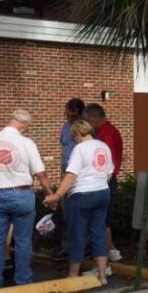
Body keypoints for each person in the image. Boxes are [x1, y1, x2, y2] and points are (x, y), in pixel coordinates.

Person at [0, 109, 53, 289]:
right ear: (24, 125)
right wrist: (50, 194)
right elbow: (40, 173)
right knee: (22, 240)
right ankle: (23, 282)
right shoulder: (27, 142)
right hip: (21, 194)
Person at [44, 120, 113, 285]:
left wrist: (57, 195)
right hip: (102, 192)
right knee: (98, 233)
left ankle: (73, 275)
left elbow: (71, 175)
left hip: (82, 195)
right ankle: (102, 275)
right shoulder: (103, 146)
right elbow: (109, 172)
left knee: (77, 234)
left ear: (77, 134)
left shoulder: (79, 149)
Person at [82, 103, 123, 274]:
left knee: (99, 223)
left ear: (94, 118)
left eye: (86, 120)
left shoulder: (106, 135)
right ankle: (109, 254)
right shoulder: (107, 131)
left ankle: (103, 264)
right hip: (105, 182)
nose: (86, 124)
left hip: (103, 183)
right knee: (103, 222)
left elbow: (108, 163)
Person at [53, 98, 85, 257]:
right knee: (65, 212)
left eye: (73, 116)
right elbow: (64, 146)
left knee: (78, 211)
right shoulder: (65, 127)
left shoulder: (85, 129)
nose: (69, 118)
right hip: (65, 171)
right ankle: (66, 246)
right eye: (67, 114)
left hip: (79, 174)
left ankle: (81, 247)